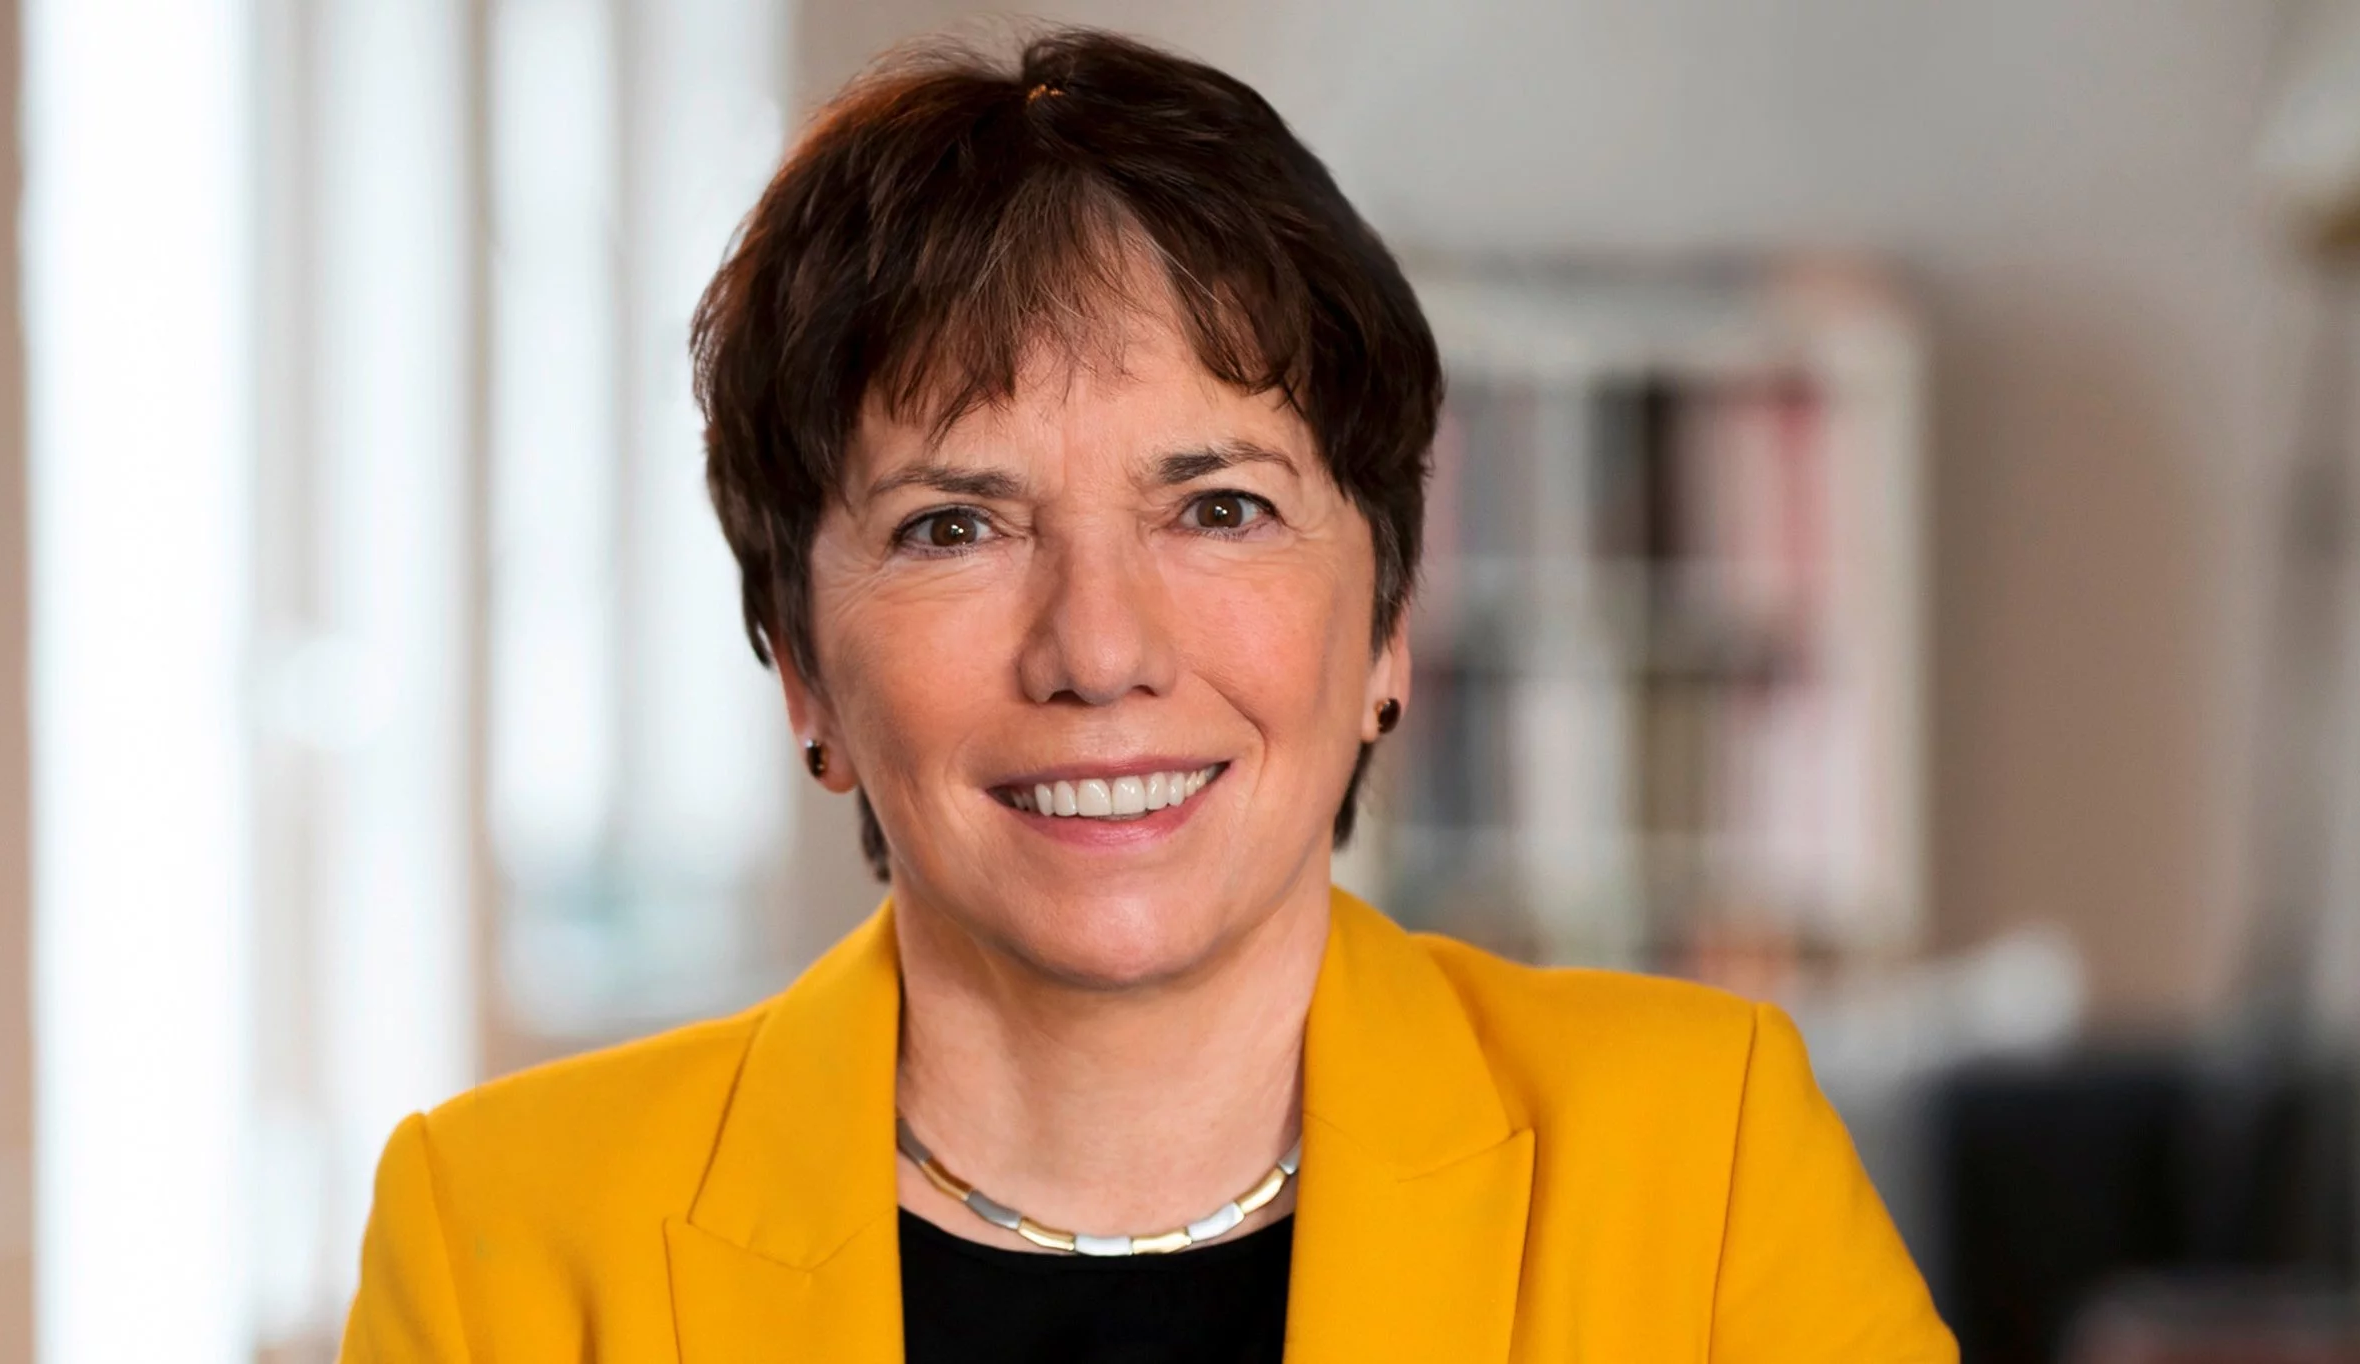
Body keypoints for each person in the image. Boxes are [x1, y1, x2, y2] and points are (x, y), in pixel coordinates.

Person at [342, 27, 1952, 1363]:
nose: (1097, 651)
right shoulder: (508, 1242)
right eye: (953, 526)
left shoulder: (1699, 1155)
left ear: (1388, 615)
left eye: (1218, 507)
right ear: (800, 662)